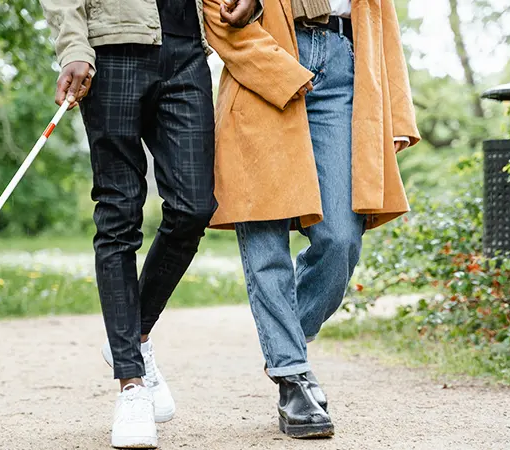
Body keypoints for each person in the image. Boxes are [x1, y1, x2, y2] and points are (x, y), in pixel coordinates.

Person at [39, 0, 259, 447]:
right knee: (119, 214)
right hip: (113, 48)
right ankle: (132, 386)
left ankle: (132, 335)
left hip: (186, 50)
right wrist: (73, 47)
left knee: (194, 207)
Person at [203, 0, 421, 439]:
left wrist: (396, 110)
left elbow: (380, 11)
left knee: (341, 239)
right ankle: (292, 377)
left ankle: (284, 345)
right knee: (265, 234)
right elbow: (216, 13)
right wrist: (282, 70)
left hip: (345, 64)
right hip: (264, 57)